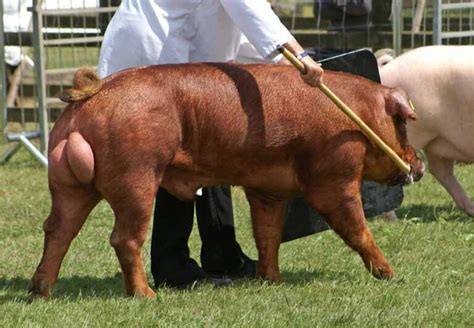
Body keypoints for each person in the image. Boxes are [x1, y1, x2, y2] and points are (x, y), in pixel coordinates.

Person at [97, 0, 323, 289]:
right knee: (177, 158)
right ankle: (172, 266)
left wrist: (292, 61)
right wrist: (295, 54)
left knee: (212, 149)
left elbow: (235, 31)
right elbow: (248, 8)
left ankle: (222, 253)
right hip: (156, 48)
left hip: (172, 45)